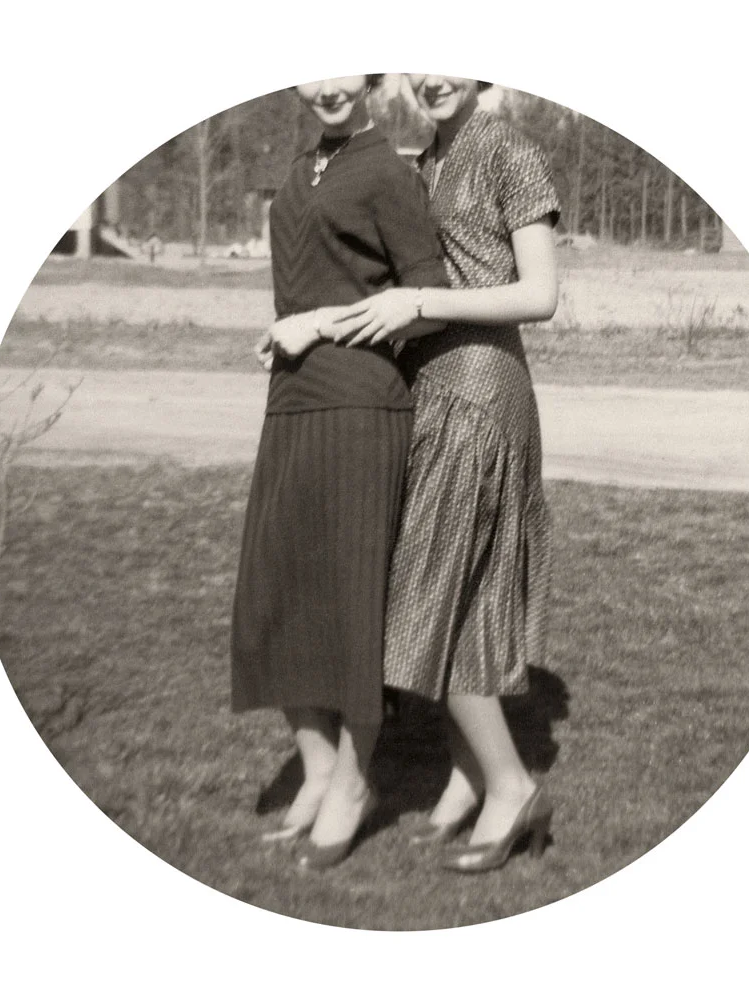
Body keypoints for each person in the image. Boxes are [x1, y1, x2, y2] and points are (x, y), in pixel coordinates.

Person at [334, 76, 561, 873]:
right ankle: (468, 780)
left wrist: (422, 304)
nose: (432, 76)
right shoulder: (427, 157)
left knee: (428, 595)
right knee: (457, 592)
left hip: (479, 394)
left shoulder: (508, 150)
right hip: (432, 390)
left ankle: (512, 786)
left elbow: (541, 294)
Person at [230, 76, 447, 870]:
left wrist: (319, 323)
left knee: (352, 600)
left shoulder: (385, 169)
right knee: (277, 588)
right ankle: (318, 768)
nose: (325, 86)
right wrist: (289, 330)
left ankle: (355, 782)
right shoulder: (300, 170)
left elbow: (426, 296)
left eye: (342, 69)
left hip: (361, 402)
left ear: (371, 79)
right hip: (293, 398)